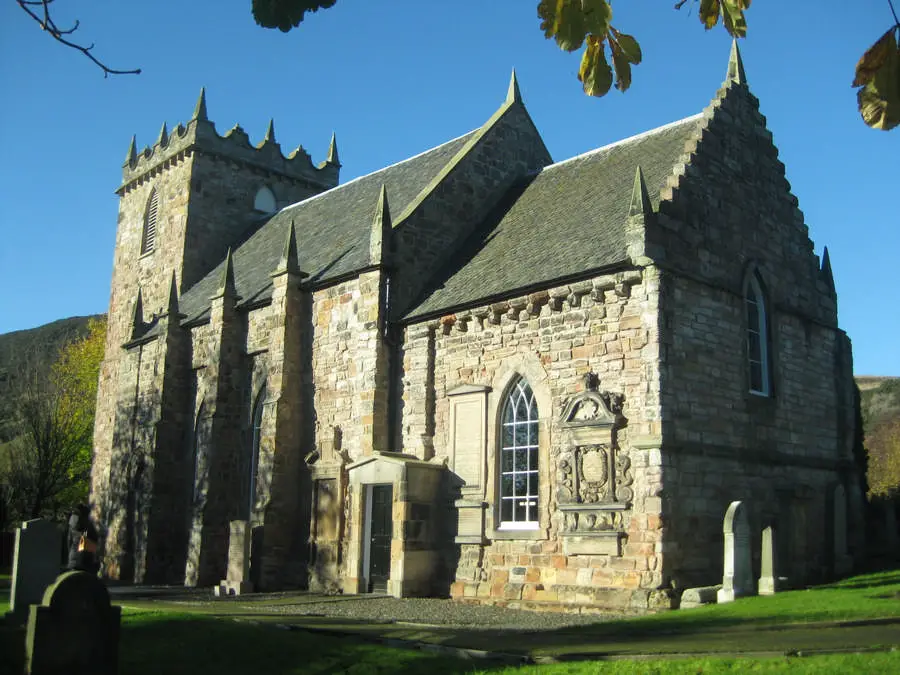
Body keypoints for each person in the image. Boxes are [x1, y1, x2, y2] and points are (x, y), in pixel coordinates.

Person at [67, 504, 100, 574]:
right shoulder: (88, 527)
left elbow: (69, 541)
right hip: (85, 562)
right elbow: (94, 544)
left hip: (74, 561)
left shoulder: (72, 528)